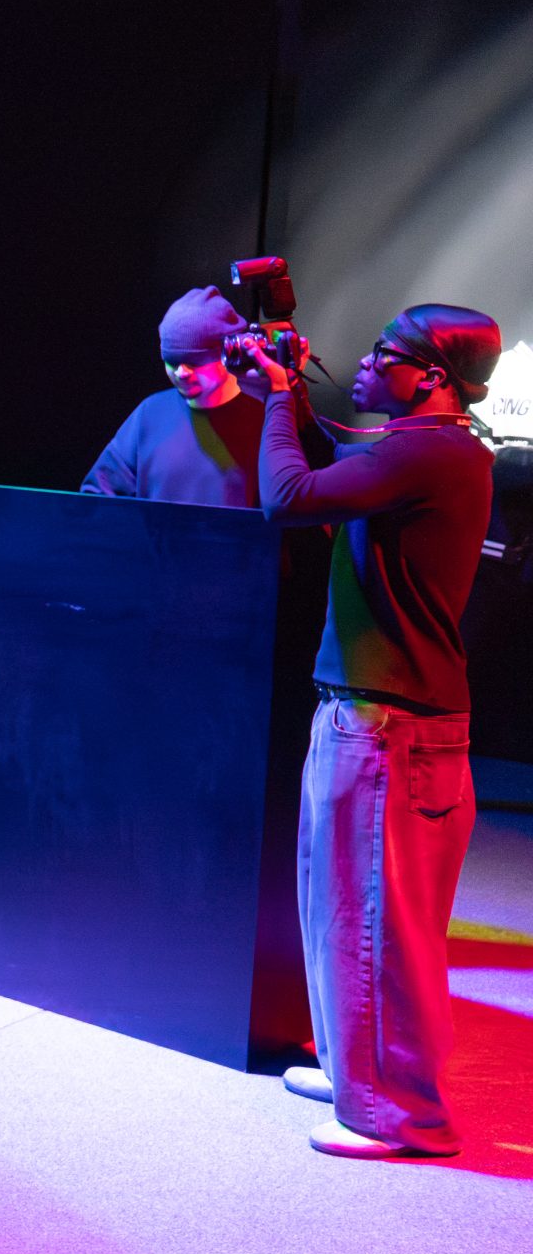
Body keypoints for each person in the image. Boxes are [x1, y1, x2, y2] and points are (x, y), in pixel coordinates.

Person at [241, 305, 499, 1160]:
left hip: (393, 728)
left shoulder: (430, 452)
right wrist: (285, 396)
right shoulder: (423, 449)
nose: (363, 360)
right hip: (373, 714)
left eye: (385, 351)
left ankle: (400, 1115)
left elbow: (288, 497)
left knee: (377, 925)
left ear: (430, 376)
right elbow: (334, 470)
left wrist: (278, 402)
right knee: (341, 908)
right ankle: (360, 1072)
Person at [82, 287, 268, 505]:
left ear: (228, 355)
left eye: (194, 363)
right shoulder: (150, 413)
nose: (181, 373)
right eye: (172, 362)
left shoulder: (266, 417)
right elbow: (97, 499)